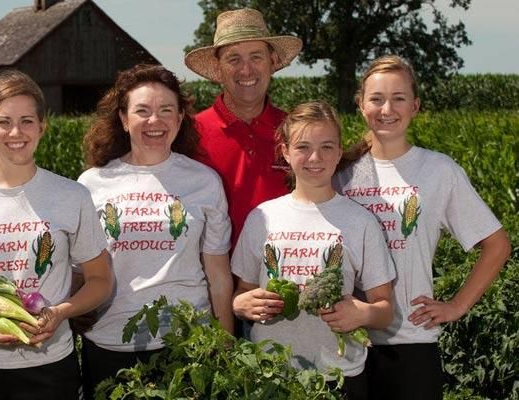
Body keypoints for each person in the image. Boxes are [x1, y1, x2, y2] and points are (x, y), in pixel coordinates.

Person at [0, 70, 113, 400]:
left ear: (43, 126)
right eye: (4, 122)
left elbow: (100, 281)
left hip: (51, 366)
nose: (16, 132)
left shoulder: (72, 196)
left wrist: (61, 312)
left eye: (27, 121)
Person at [334, 55, 511, 400]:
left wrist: (456, 306)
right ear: (360, 105)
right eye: (376, 99)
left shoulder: (438, 171)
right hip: (346, 342)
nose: (387, 108)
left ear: (415, 106)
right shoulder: (339, 171)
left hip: (411, 341)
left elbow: (497, 244)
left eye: (399, 98)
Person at [77, 64, 233, 398]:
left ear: (179, 119)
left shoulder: (204, 181)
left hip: (187, 342)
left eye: (166, 111)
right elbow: (81, 270)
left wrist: (225, 345)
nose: (155, 121)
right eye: (142, 111)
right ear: (123, 118)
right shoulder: (92, 183)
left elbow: (218, 275)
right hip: (110, 341)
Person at [231, 101, 396, 399]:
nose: (315, 158)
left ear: (338, 153)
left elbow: (384, 310)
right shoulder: (262, 217)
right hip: (271, 374)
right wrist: (240, 305)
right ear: (285, 152)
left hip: (339, 377)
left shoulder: (360, 222)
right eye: (303, 147)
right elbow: (243, 289)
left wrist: (364, 313)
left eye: (327, 147)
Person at [184, 7, 303, 248]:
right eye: (233, 58)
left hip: (287, 276)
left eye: (256, 57)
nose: (246, 70)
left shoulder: (297, 131)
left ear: (273, 61)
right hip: (212, 278)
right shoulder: (189, 133)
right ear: (218, 68)